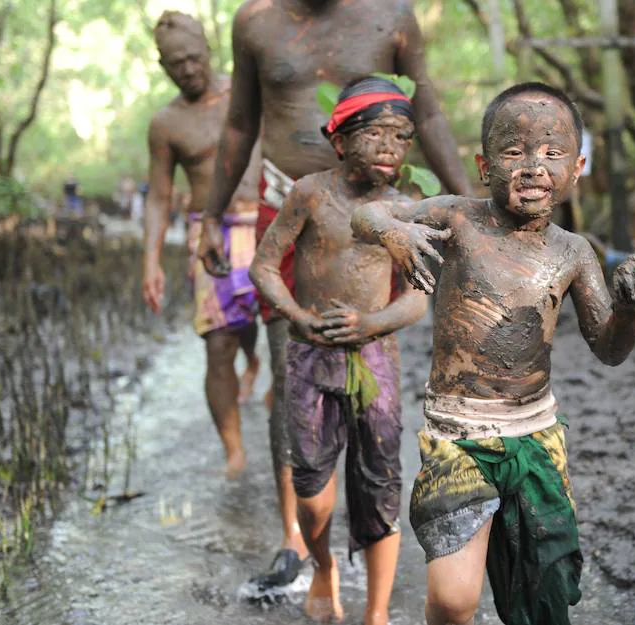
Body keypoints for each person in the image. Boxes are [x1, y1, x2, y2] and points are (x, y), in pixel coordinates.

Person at [352, 82, 635, 625]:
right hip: (458, 435)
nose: (532, 167)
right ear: (483, 165)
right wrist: (396, 233)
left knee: (543, 592)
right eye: (513, 153)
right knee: (455, 600)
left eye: (552, 154)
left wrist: (628, 312)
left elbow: (609, 350)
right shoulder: (457, 218)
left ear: (578, 168)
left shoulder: (574, 251)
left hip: (535, 435)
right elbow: (366, 217)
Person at [197, 0, 473, 591]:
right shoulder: (255, 20)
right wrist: (211, 215)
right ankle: (296, 534)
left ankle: (366, 521)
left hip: (383, 210)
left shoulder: (391, 16)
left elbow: (427, 115)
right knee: (290, 357)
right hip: (289, 199)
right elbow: (241, 124)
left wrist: (471, 206)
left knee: (374, 380)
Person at [249, 76, 427, 625]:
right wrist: (297, 315)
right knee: (312, 488)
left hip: (375, 359)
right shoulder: (310, 192)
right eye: (374, 133)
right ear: (339, 140)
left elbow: (419, 296)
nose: (387, 147)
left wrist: (372, 321)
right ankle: (322, 565)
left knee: (380, 484)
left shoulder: (406, 207)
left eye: (400, 137)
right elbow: (263, 265)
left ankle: (376, 613)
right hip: (309, 357)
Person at [141, 11, 261, 477]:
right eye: (176, 64)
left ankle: (258, 368)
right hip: (210, 233)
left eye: (193, 58)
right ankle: (233, 450)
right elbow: (158, 197)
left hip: (266, 221)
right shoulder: (166, 123)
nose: (188, 69)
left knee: (277, 330)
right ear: (163, 66)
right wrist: (150, 261)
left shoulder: (247, 94)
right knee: (217, 343)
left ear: (209, 49)